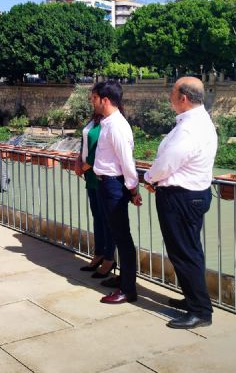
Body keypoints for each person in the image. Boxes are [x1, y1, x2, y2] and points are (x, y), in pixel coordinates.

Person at [143, 77, 217, 329]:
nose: (169, 97)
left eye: (172, 92)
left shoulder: (188, 129)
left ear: (183, 98)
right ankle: (195, 301)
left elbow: (167, 162)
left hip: (181, 197)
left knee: (184, 253)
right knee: (189, 251)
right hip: (192, 195)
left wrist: (149, 178)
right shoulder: (200, 121)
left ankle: (200, 311)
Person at [91, 80, 142, 304]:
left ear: (105, 100)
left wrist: (133, 190)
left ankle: (128, 289)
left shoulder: (118, 127)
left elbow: (127, 163)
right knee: (116, 233)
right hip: (106, 183)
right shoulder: (108, 123)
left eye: (94, 98)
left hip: (114, 185)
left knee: (123, 238)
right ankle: (123, 279)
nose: (92, 102)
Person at [75, 111, 116, 278]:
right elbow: (84, 144)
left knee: (107, 220)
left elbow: (99, 149)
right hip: (91, 177)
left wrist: (84, 166)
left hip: (100, 175)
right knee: (97, 217)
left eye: (95, 97)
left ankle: (109, 258)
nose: (92, 100)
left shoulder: (109, 122)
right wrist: (78, 161)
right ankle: (99, 253)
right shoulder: (93, 119)